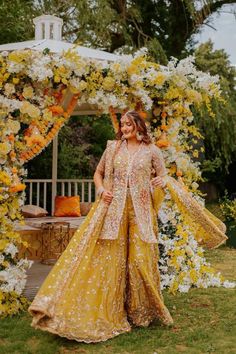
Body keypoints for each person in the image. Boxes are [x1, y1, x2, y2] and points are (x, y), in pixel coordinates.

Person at [28, 110, 227, 343]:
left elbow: (163, 176)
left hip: (142, 213)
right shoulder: (113, 148)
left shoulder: (152, 151)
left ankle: (142, 312)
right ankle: (112, 309)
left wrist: (161, 181)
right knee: (112, 261)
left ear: (139, 126)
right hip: (114, 212)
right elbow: (98, 173)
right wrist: (101, 190)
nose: (124, 128)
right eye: (122, 125)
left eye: (128, 124)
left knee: (140, 260)